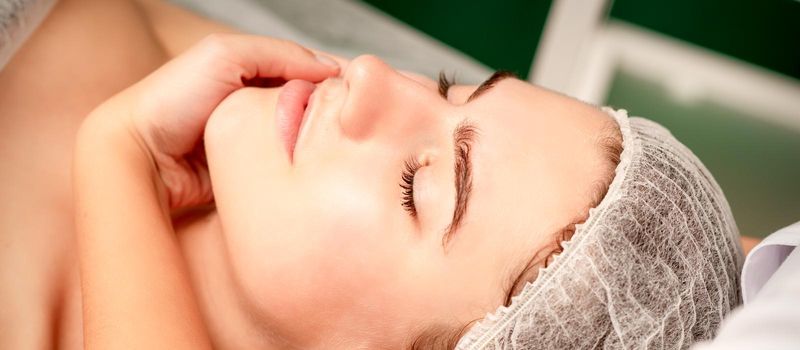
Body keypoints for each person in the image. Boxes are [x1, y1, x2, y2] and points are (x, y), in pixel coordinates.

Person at [0, 0, 743, 349]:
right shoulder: (201, 62)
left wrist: (118, 150)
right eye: (450, 87)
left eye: (415, 186)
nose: (369, 76)